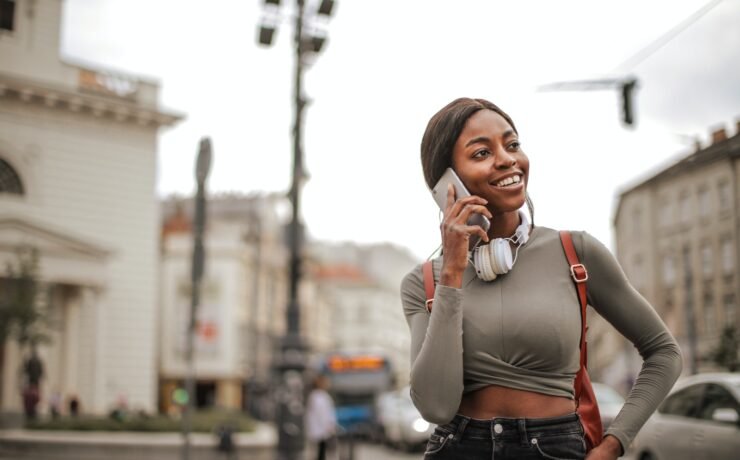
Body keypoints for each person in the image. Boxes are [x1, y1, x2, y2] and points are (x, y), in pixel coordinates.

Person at [401, 98, 683, 460]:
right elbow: (436, 408)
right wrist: (453, 272)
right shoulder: (423, 282)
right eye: (482, 152)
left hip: (554, 448)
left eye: (512, 144)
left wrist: (614, 444)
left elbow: (664, 352)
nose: (507, 159)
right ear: (446, 184)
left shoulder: (575, 252)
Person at [305, 374, 337, 460]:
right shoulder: (318, 396)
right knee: (320, 452)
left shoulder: (318, 395)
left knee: (321, 451)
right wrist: (328, 426)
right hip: (321, 429)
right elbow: (322, 414)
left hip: (320, 429)